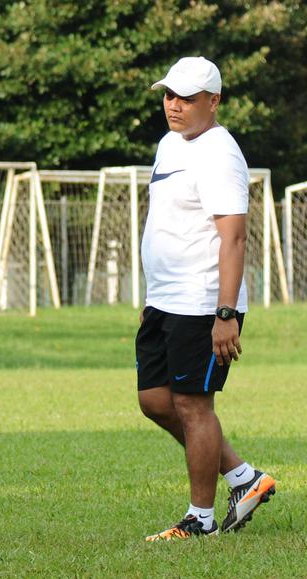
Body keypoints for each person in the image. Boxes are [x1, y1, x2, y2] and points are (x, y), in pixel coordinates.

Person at [137, 57, 277, 541]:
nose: (173, 105)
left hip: (202, 304)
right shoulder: (168, 144)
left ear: (213, 101)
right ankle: (244, 477)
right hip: (165, 300)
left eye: (187, 98)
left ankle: (200, 518)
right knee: (154, 400)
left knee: (194, 407)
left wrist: (225, 314)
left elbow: (233, 238)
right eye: (168, 95)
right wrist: (152, 297)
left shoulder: (220, 154)